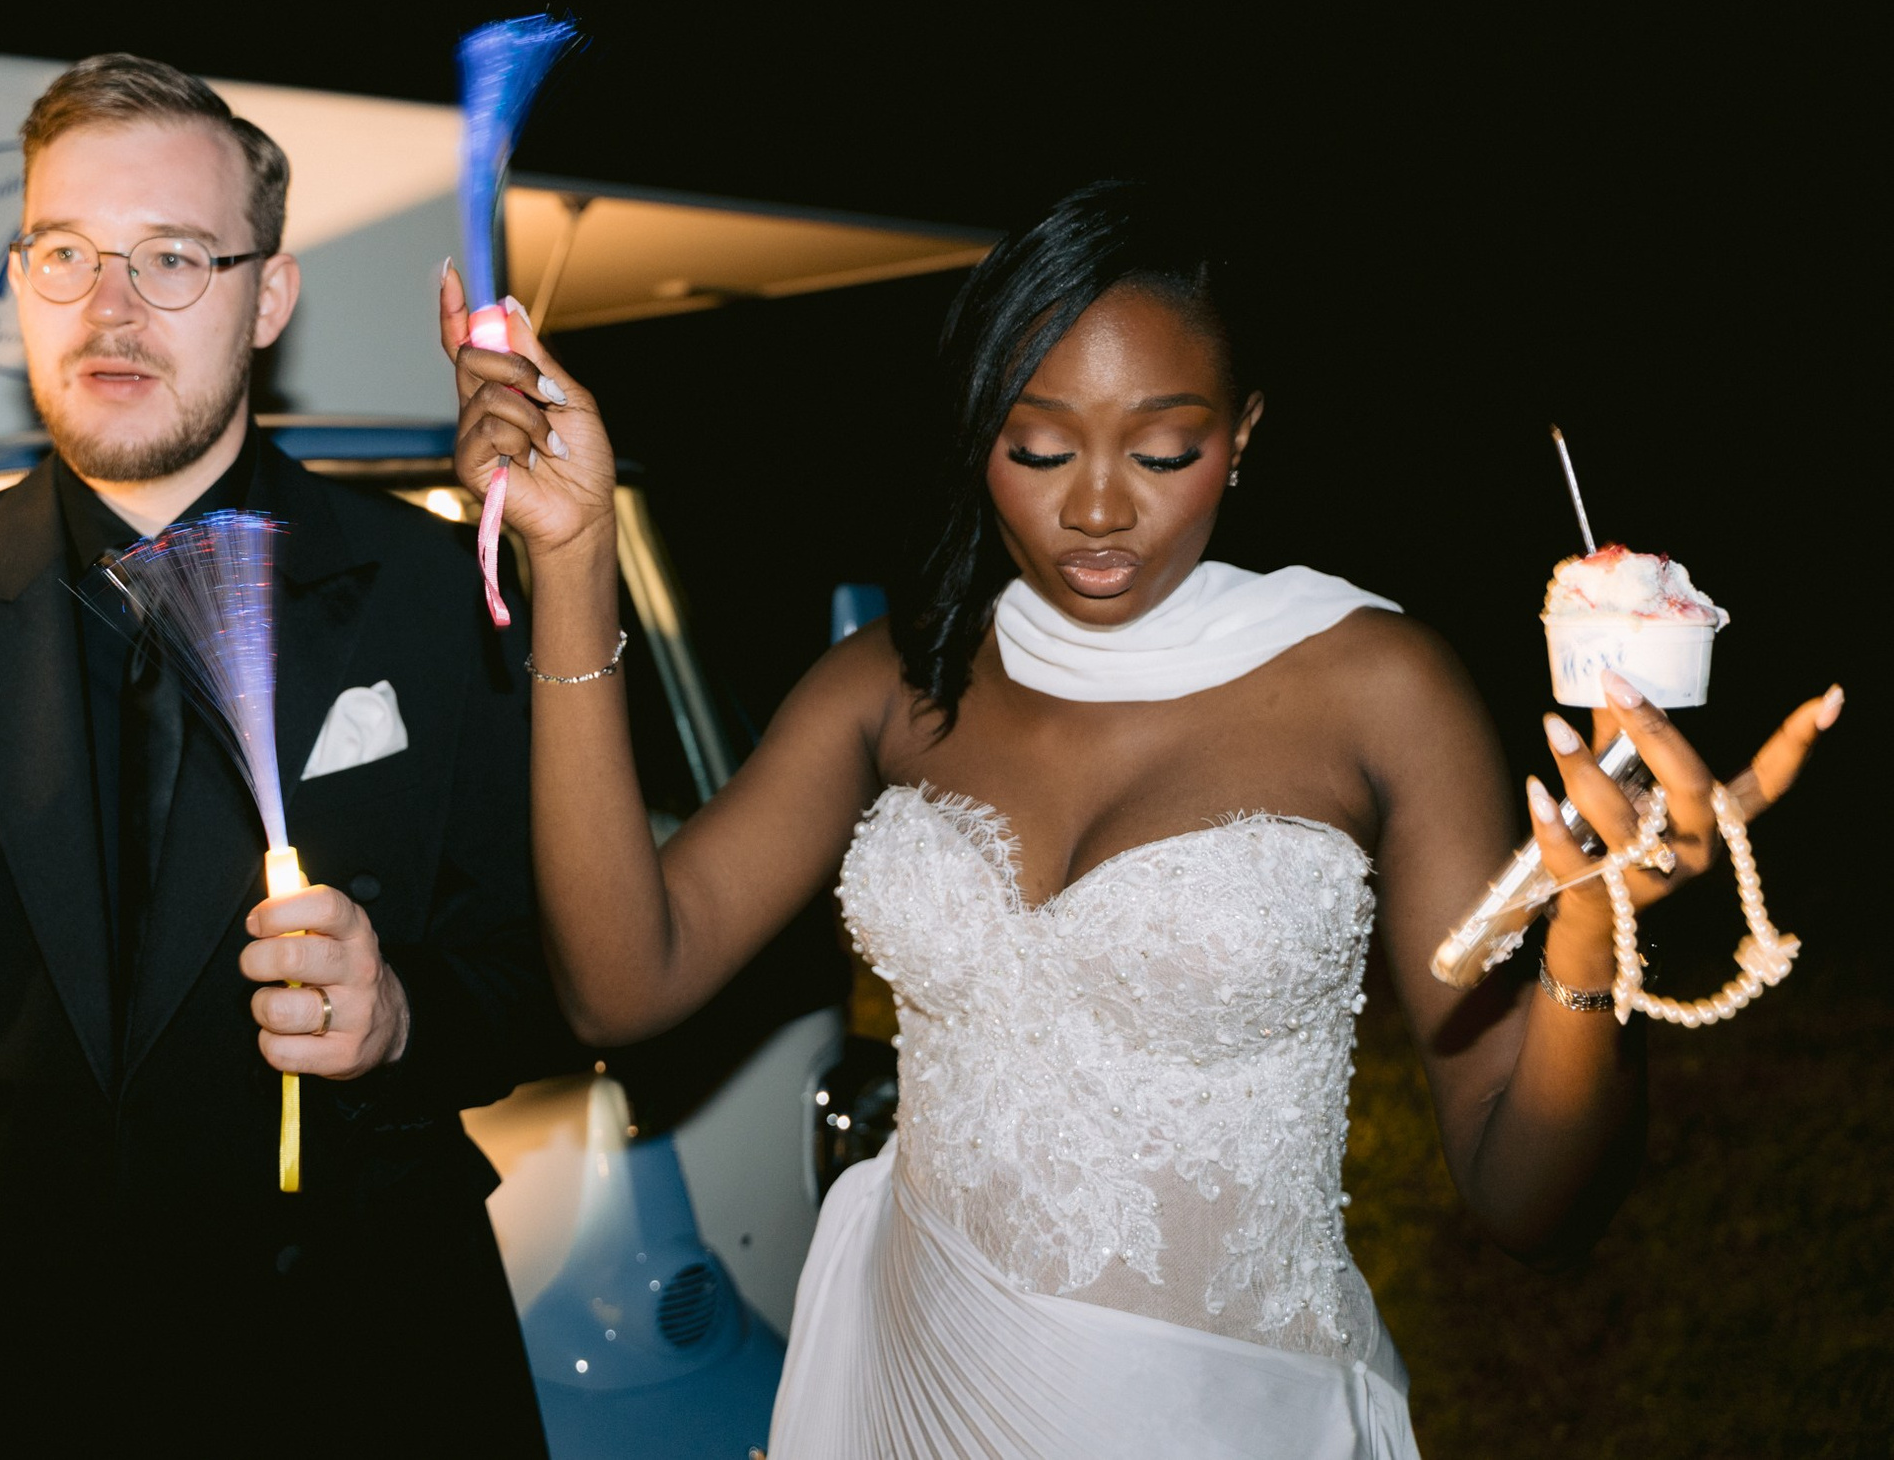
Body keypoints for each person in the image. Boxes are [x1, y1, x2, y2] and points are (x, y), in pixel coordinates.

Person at [444, 180, 1840, 1459]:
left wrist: (1589, 944)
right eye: (1037, 448)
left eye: (1163, 451)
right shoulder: (899, 680)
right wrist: (574, 568)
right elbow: (623, 984)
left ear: (1240, 439)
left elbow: (1530, 1203)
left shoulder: (1373, 685)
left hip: (1217, 1418)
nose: (1098, 511)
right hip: (912, 1379)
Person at [0, 55, 562, 1457]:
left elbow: (543, 979)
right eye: (68, 254)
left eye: (173, 256)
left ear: (267, 296)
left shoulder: (433, 588)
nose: (111, 307)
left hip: (344, 1367)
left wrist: (400, 1017)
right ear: (21, 276)